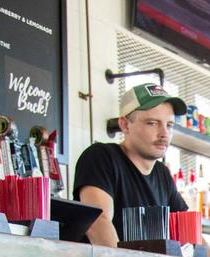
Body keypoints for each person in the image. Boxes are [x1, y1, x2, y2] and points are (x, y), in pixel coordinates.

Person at [74, 83, 188, 247]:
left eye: (169, 125)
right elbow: (98, 222)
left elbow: (190, 233)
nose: (164, 133)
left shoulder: (162, 174)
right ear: (125, 125)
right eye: (152, 123)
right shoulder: (102, 157)